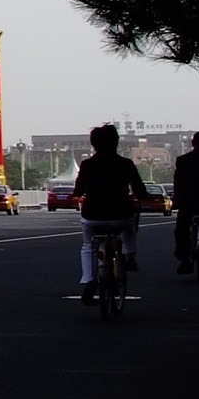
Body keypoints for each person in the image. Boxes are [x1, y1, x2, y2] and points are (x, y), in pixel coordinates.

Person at [74, 124, 147, 300]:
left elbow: (78, 191)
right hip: (120, 215)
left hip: (92, 216)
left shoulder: (87, 164)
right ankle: (130, 255)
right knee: (130, 225)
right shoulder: (125, 164)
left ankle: (89, 279)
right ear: (116, 142)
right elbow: (140, 189)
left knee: (87, 246)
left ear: (93, 144)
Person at [174, 132, 199, 275]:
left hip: (188, 203)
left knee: (182, 230)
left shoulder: (183, 160)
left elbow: (177, 184)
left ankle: (184, 259)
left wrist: (176, 202)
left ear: (193, 143)